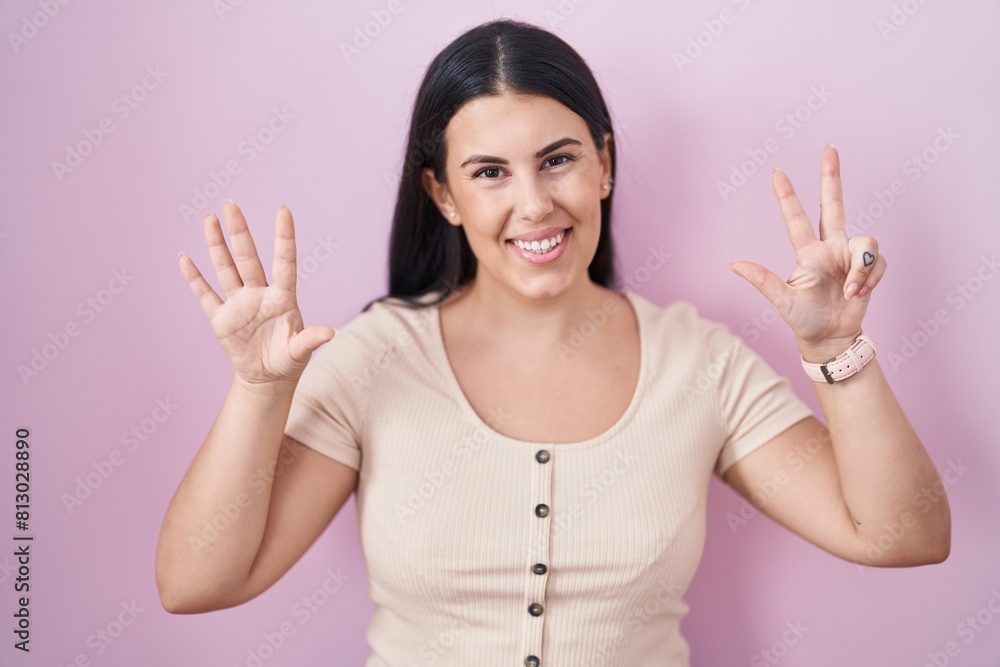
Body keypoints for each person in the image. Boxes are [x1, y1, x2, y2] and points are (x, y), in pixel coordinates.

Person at [155, 18, 951, 666]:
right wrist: (260, 390)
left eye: (558, 160)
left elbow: (903, 534)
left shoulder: (698, 362)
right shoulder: (376, 359)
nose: (534, 204)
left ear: (603, 163)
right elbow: (194, 583)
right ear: (444, 195)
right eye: (490, 172)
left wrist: (837, 354)